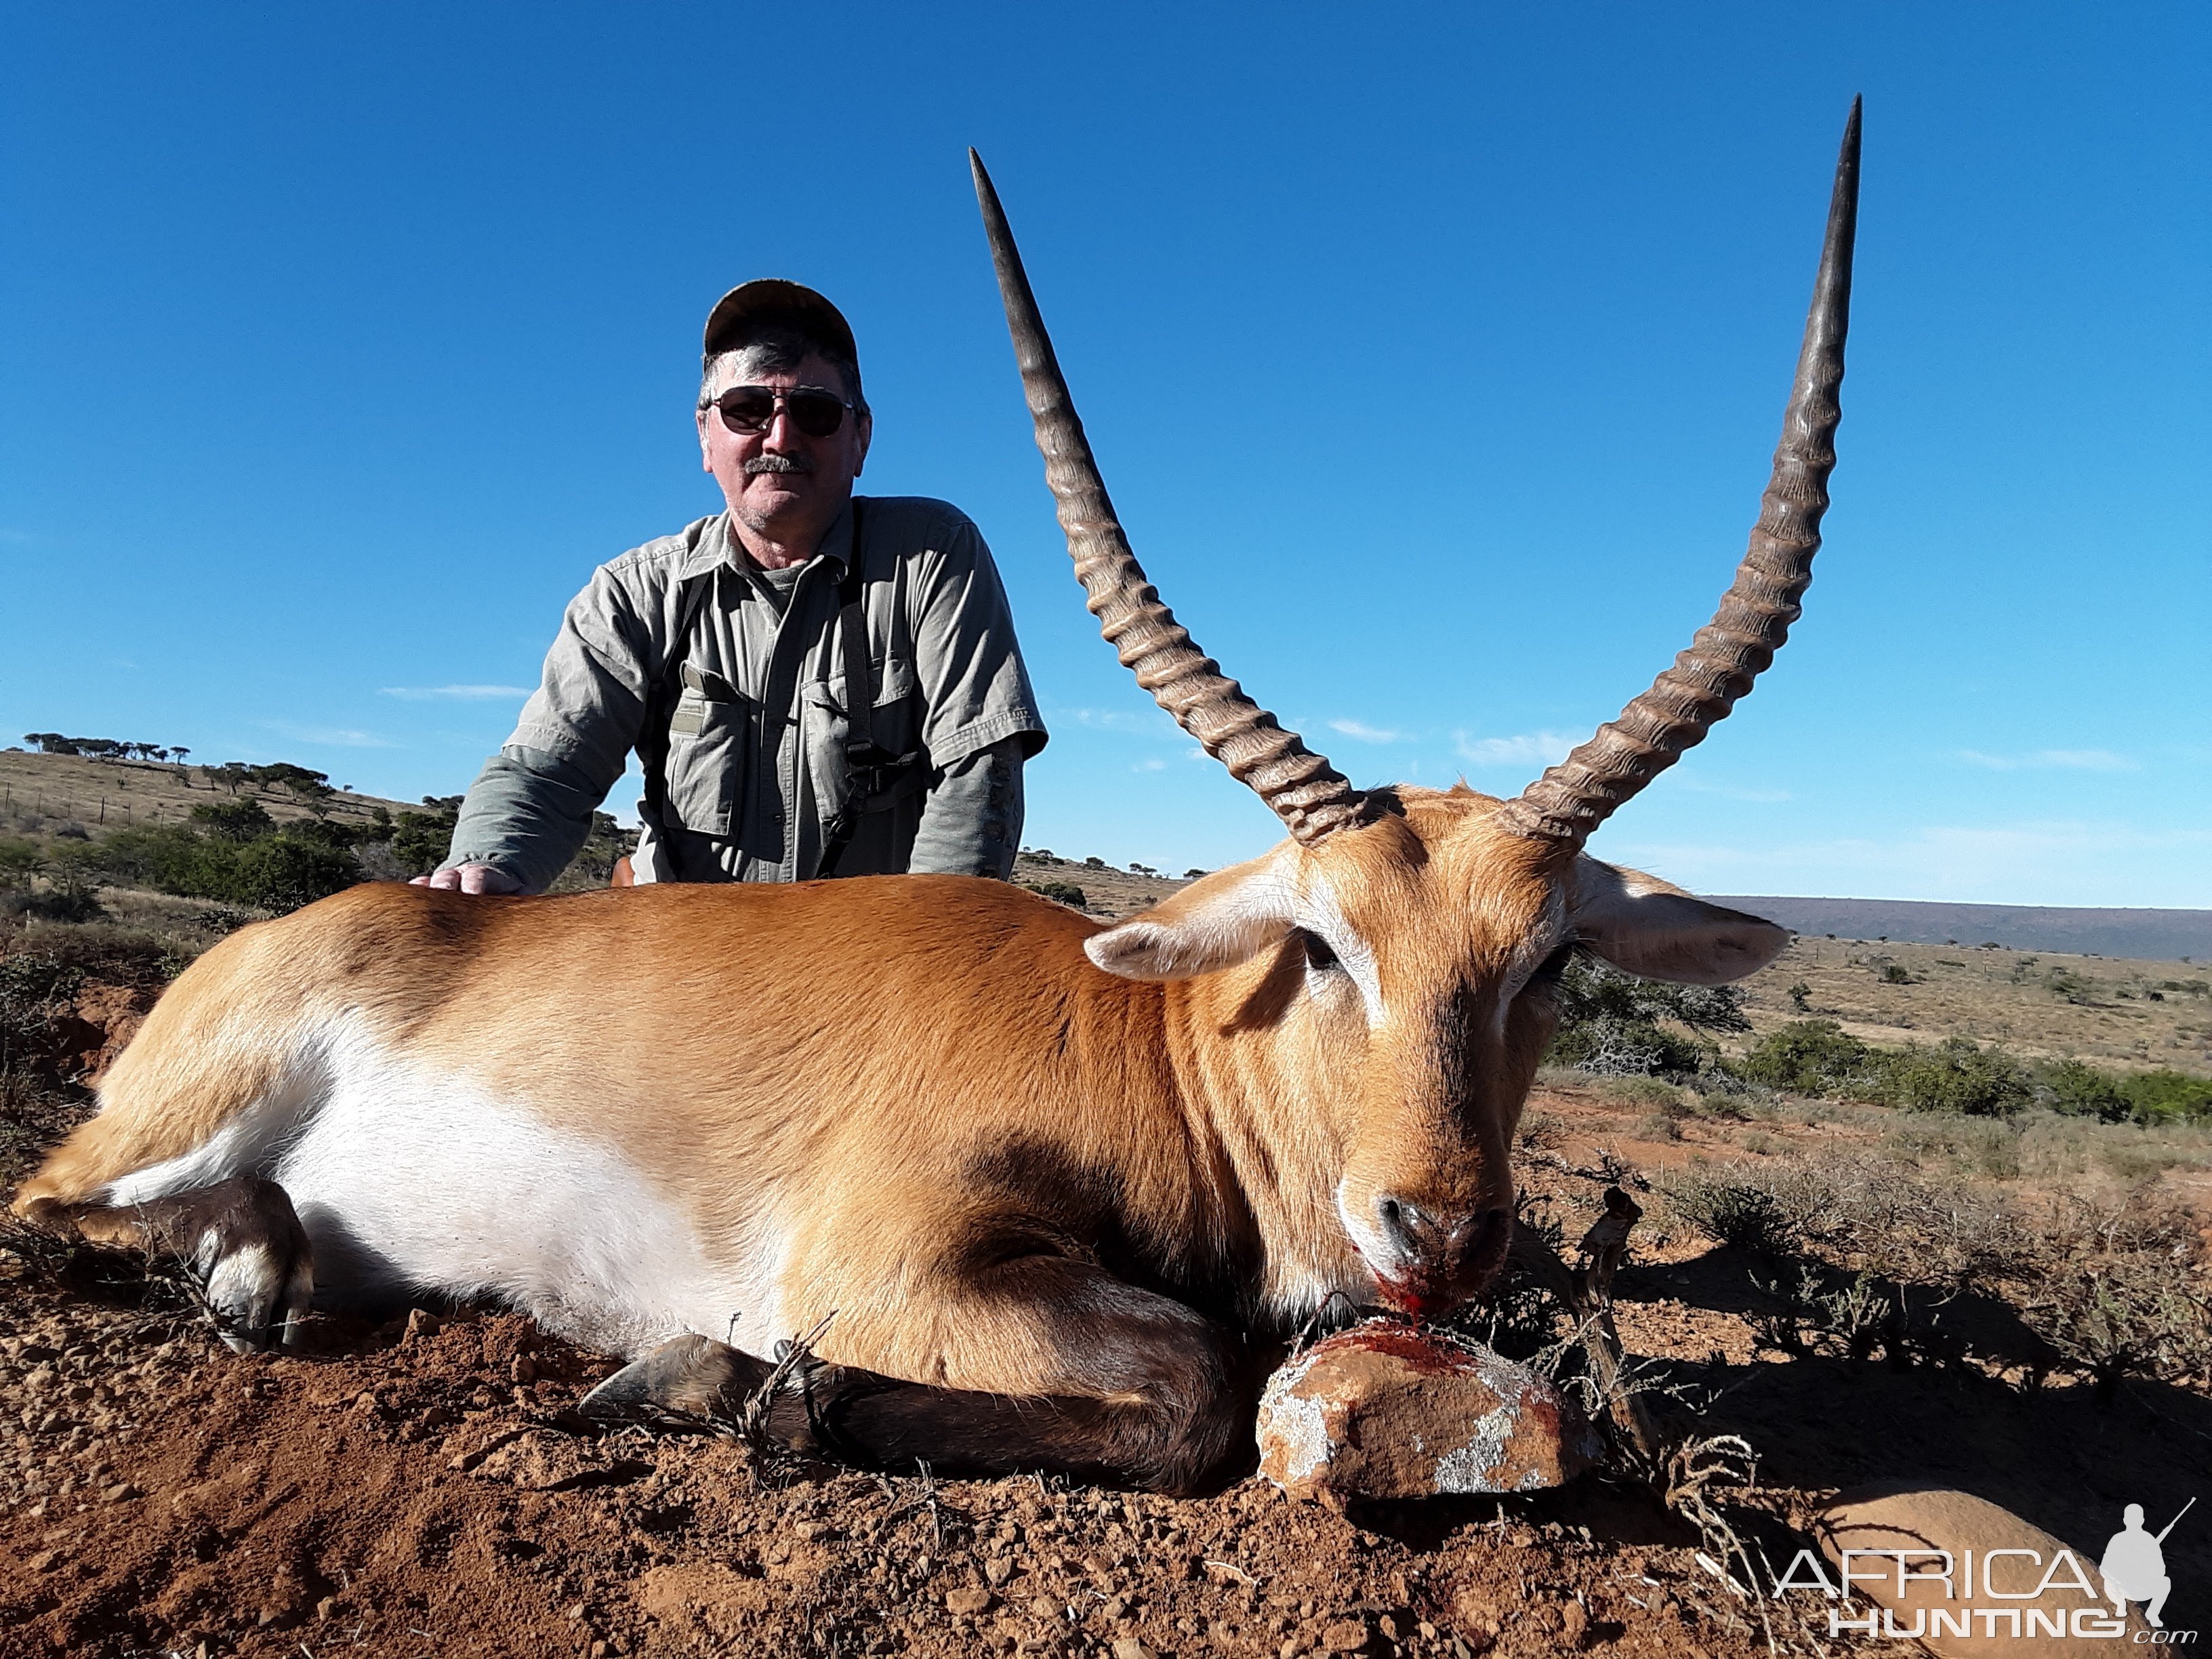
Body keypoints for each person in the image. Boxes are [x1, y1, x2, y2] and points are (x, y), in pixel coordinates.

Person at [419, 281, 1046, 893]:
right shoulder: (632, 592)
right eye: (747, 409)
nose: (779, 436)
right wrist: (488, 866)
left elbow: (978, 772)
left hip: (864, 968)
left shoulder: (933, 551)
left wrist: (919, 958)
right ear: (705, 436)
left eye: (815, 412)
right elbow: (550, 768)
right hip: (680, 961)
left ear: (860, 439)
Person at [2102, 1502, 2177, 1627]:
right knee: (2108, 1580)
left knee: (2165, 1582)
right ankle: (2121, 1605)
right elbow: (2104, 1567)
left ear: (2142, 1521)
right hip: (2119, 1588)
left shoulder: (2149, 1541)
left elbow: (2160, 1571)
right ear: (2126, 1520)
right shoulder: (2118, 1539)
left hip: (2140, 1588)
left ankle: (2152, 1614)